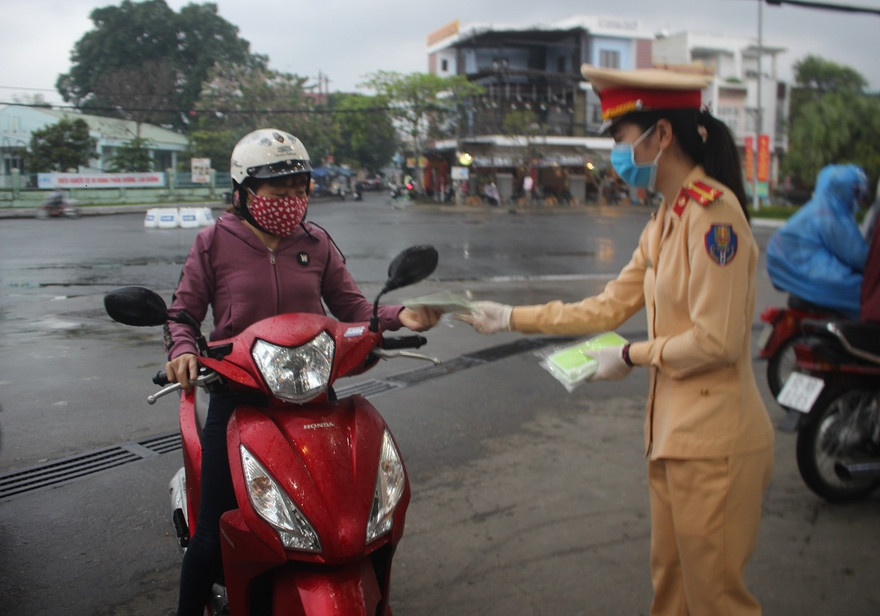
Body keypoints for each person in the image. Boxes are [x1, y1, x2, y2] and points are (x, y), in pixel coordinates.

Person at [457, 65, 774, 615]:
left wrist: (629, 354)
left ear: (662, 136)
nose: (617, 157)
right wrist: (509, 316)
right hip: (672, 439)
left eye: (623, 140)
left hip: (717, 445)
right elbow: (605, 305)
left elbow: (715, 341)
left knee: (717, 601)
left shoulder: (713, 217)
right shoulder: (665, 221)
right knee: (672, 593)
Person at [164, 128, 441, 615]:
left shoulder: (316, 242)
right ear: (244, 192)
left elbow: (354, 307)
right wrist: (185, 351)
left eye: (299, 190)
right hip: (238, 392)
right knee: (212, 533)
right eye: (277, 191)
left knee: (353, 517)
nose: (290, 201)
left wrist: (400, 315)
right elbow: (183, 314)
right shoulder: (212, 242)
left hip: (311, 394)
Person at [766, 164, 869, 319]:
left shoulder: (823, 207)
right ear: (843, 189)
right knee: (862, 291)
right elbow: (856, 255)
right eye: (856, 192)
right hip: (807, 267)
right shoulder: (831, 212)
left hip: (793, 264)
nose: (858, 199)